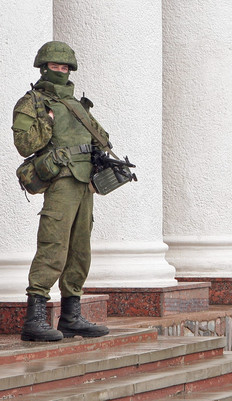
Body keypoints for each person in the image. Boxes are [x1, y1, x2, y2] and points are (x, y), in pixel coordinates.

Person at [12, 41, 110, 341]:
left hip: (84, 183)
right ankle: (36, 318)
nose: (61, 71)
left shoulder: (78, 104)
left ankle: (71, 316)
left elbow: (102, 138)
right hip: (61, 181)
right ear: (44, 68)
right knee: (53, 245)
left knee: (80, 251)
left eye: (66, 67)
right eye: (56, 66)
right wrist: (47, 123)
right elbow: (24, 145)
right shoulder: (33, 102)